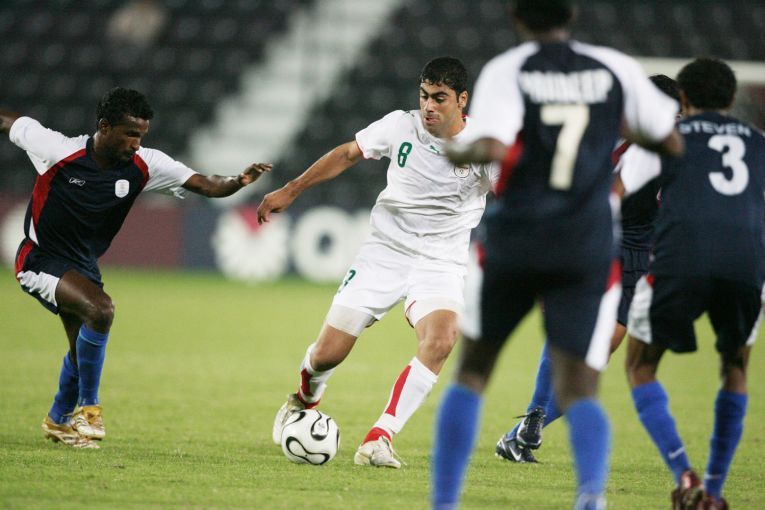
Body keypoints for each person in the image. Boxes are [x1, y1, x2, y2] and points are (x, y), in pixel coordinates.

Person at [430, 1, 683, 508]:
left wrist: (461, 149)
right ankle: (590, 497)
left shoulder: (509, 70)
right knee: (582, 383)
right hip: (586, 244)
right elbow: (670, 142)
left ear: (517, 17)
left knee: (473, 371)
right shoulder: (615, 68)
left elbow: (488, 145)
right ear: (572, 15)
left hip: (516, 237)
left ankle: (445, 502)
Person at [257, 57, 498, 468]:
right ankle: (302, 401)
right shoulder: (400, 125)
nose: (428, 106)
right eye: (424, 96)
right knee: (327, 355)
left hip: (441, 260)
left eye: (439, 98)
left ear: (462, 100)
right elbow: (348, 153)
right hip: (384, 252)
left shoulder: (484, 147)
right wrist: (291, 189)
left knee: (441, 340)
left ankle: (379, 438)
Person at [2, 87, 272, 449]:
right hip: (39, 259)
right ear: (104, 126)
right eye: (130, 133)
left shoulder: (146, 164)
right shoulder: (57, 150)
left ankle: (58, 420)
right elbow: (9, 121)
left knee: (82, 350)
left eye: (141, 134)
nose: (136, 143)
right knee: (101, 309)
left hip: (83, 267)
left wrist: (238, 181)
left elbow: (206, 185)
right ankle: (89, 411)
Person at [496, 74, 681, 464]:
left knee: (597, 354)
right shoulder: (605, 138)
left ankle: (518, 435)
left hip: (638, 254)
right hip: (595, 242)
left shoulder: (674, 150)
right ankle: (535, 413)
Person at [623, 58, 765, 510]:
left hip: (679, 259)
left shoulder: (667, 137)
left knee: (641, 365)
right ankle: (716, 492)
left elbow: (624, 195)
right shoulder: (759, 142)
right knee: (735, 367)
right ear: (732, 99)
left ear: (682, 99)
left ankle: (685, 474)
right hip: (746, 263)